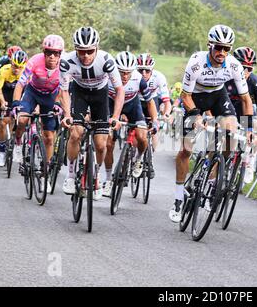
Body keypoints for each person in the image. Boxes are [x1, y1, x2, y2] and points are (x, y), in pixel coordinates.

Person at [168, 24, 254, 223]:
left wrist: (249, 128)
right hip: (194, 98)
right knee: (186, 150)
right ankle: (179, 198)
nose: (222, 52)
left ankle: (212, 178)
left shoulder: (234, 65)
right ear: (210, 45)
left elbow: (246, 99)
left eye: (226, 48)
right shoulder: (196, 62)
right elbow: (185, 95)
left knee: (231, 136)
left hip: (217, 95)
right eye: (218, 47)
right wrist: (196, 115)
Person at [60, 26, 124, 200]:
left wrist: (116, 117)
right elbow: (64, 91)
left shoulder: (106, 60)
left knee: (101, 144)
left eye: (89, 51)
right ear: (75, 49)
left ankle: (95, 174)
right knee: (75, 133)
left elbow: (119, 90)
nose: (86, 56)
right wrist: (67, 114)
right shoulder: (67, 61)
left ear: (96, 48)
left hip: (100, 96)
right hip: (79, 93)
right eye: (81, 51)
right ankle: (71, 176)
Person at [102, 51, 158, 197]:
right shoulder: (107, 77)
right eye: (121, 72)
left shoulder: (139, 79)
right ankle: (108, 180)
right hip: (110, 104)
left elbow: (150, 101)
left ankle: (138, 159)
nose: (125, 76)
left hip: (132, 106)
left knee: (142, 136)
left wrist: (155, 120)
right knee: (108, 143)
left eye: (128, 73)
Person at [13, 36, 65, 169]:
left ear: (60, 54)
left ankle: (45, 170)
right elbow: (20, 84)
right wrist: (15, 103)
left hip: (50, 96)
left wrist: (58, 104)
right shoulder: (35, 61)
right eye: (48, 53)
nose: (52, 56)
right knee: (22, 119)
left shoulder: (65, 65)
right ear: (44, 52)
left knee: (49, 137)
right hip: (33, 93)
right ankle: (18, 143)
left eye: (56, 53)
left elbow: (64, 88)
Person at [225, 46, 257, 183]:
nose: (245, 72)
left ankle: (249, 162)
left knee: (255, 128)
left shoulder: (256, 83)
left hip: (244, 111)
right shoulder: (224, 77)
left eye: (250, 68)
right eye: (242, 67)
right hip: (225, 110)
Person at [0, 52, 26, 166]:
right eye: (15, 66)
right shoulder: (4, 70)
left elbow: (28, 91)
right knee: (3, 122)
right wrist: (2, 102)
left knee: (21, 120)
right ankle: (2, 152)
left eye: (20, 67)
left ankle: (17, 142)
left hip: (20, 94)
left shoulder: (26, 72)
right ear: (11, 63)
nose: (17, 69)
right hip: (6, 94)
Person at [136, 53, 168, 154]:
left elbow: (166, 100)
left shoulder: (159, 77)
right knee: (135, 128)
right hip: (137, 100)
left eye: (147, 70)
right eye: (140, 70)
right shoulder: (132, 76)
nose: (144, 73)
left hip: (152, 101)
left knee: (153, 129)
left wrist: (166, 113)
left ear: (152, 69)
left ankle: (150, 156)